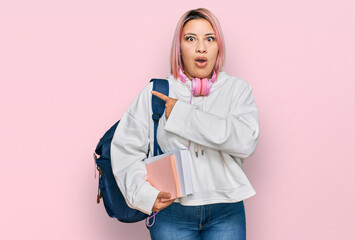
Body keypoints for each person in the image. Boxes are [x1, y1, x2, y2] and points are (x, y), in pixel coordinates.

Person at [110, 8, 259, 240]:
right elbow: (124, 150)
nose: (201, 47)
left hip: (226, 210)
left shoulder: (236, 89)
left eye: (210, 39)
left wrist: (182, 115)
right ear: (179, 48)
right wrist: (145, 195)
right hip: (172, 213)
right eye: (191, 39)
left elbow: (245, 141)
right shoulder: (157, 92)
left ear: (218, 46)